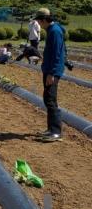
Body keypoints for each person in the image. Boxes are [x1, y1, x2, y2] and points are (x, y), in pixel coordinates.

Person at [35, 8, 65, 142]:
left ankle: (56, 131)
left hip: (52, 71)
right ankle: (51, 129)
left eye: (39, 21)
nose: (39, 25)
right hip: (48, 69)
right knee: (48, 98)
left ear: (43, 20)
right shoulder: (52, 30)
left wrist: (51, 73)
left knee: (50, 99)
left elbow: (57, 54)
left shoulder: (55, 31)